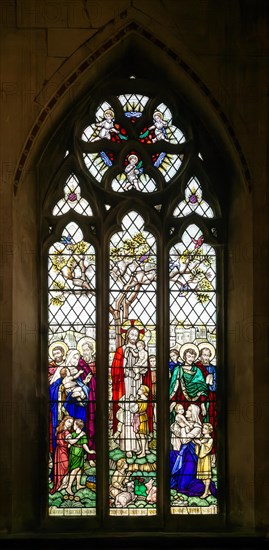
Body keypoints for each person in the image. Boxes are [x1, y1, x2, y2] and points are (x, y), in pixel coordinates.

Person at [169, 343, 209, 419]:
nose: (191, 359)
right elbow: (174, 386)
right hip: (180, 399)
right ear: (184, 357)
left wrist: (203, 404)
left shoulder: (198, 370)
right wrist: (173, 401)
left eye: (193, 357)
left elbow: (202, 388)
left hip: (196, 401)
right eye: (189, 356)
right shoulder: (178, 369)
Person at [77, 337, 97, 457]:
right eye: (83, 350)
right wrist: (84, 381)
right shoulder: (80, 365)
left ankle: (93, 453)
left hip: (95, 397)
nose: (85, 352)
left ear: (92, 351)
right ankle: (83, 452)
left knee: (95, 423)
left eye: (87, 350)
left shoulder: (96, 363)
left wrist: (92, 380)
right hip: (83, 399)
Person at [48, 341, 69, 453]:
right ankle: (55, 449)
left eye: (58, 353)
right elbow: (49, 384)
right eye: (54, 353)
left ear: (62, 353)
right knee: (55, 423)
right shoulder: (50, 366)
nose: (56, 355)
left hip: (66, 398)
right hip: (55, 399)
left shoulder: (68, 364)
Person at [66, 419, 95, 496]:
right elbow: (71, 443)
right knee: (75, 469)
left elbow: (84, 444)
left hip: (80, 452)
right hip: (74, 452)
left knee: (79, 469)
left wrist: (89, 451)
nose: (73, 426)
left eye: (74, 424)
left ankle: (78, 485)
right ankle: (68, 487)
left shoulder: (83, 435)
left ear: (78, 426)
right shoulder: (74, 434)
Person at [131, 384, 151, 458]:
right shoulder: (140, 399)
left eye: (140, 389)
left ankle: (143, 452)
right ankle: (141, 449)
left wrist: (132, 404)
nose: (138, 390)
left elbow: (136, 409)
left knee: (142, 435)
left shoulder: (142, 400)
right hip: (139, 417)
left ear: (143, 391)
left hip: (141, 418)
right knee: (138, 435)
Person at [194, 422, 214, 498]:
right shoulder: (202, 438)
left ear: (209, 431)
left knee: (206, 476)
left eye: (205, 428)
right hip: (200, 459)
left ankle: (205, 492)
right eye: (203, 428)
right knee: (202, 476)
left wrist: (200, 443)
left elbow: (207, 448)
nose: (203, 429)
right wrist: (198, 444)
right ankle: (207, 490)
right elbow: (198, 446)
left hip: (205, 459)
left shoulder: (210, 439)